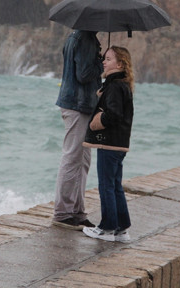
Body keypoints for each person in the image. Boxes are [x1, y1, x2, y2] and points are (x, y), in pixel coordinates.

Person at [82, 46, 134, 243]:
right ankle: (121, 228)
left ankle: (107, 228)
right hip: (119, 144)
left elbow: (113, 114)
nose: (104, 61)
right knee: (115, 185)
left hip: (110, 144)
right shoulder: (121, 85)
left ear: (120, 64)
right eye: (104, 58)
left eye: (109, 59)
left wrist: (97, 122)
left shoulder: (114, 86)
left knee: (106, 185)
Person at [53, 29, 103, 229]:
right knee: (73, 156)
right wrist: (101, 63)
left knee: (82, 159)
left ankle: (77, 211)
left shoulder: (79, 37)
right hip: (77, 105)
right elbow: (83, 75)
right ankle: (64, 212)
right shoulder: (84, 39)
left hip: (78, 104)